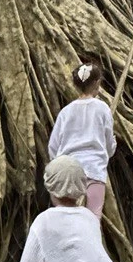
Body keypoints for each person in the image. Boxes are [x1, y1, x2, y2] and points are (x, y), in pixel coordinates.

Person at [47, 58, 116, 219]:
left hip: (69, 174)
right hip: (94, 171)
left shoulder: (66, 112)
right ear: (98, 83)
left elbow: (53, 147)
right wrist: (112, 146)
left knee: (67, 221)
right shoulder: (103, 109)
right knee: (92, 221)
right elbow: (109, 146)